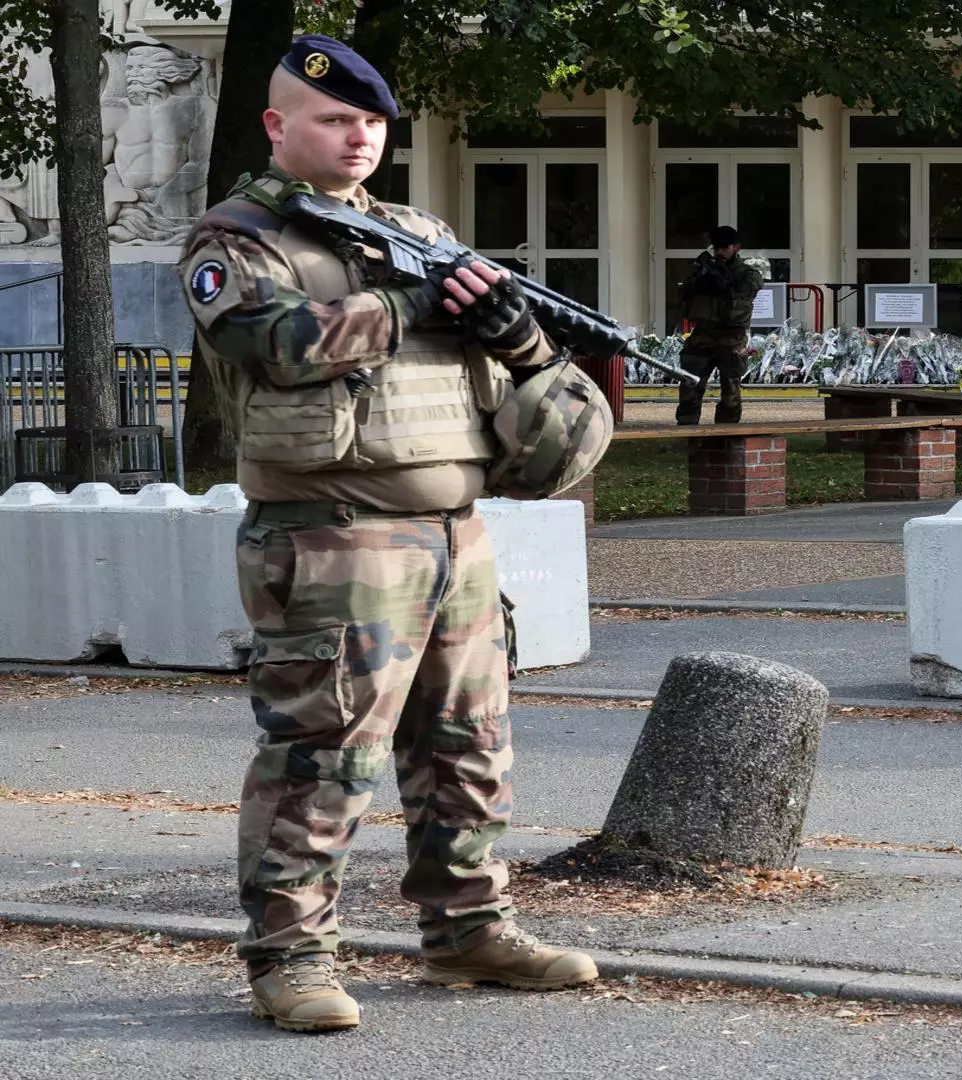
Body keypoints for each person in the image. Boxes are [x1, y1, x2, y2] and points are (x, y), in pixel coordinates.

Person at [175, 34, 597, 1033]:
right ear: (279, 127)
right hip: (332, 536)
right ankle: (289, 958)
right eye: (332, 118)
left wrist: (519, 338)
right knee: (324, 755)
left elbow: (494, 383)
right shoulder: (238, 239)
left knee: (469, 748)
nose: (357, 135)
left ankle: (469, 931)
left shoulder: (421, 230)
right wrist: (415, 305)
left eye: (370, 121)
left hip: (455, 533)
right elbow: (273, 344)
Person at [675, 225, 764, 424]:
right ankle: (687, 434)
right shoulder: (703, 269)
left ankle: (727, 438)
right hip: (702, 335)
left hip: (731, 338)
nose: (720, 252)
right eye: (717, 248)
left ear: (736, 248)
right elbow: (683, 295)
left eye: (725, 248)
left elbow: (747, 291)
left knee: (730, 392)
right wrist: (699, 280)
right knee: (690, 386)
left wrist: (722, 279)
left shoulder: (748, 273)